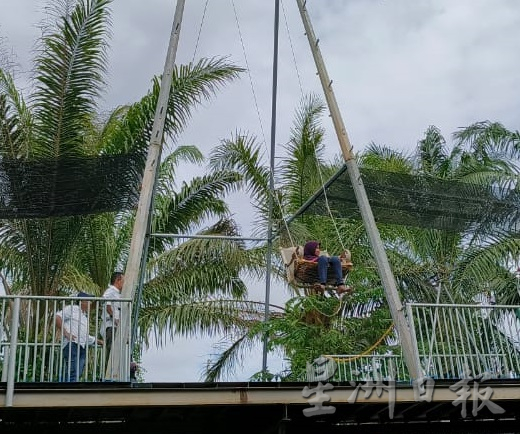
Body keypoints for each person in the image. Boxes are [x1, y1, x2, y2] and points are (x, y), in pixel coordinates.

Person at [55, 292, 103, 382]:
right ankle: (69, 392)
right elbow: (58, 317)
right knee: (72, 371)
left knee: (78, 372)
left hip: (81, 346)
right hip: (72, 344)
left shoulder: (84, 317)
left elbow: (85, 336)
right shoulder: (72, 308)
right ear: (82, 301)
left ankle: (68, 389)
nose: (90, 304)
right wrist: (66, 333)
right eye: (89, 301)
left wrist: (98, 341)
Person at [102, 271, 124, 352]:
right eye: (123, 281)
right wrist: (114, 319)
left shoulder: (117, 293)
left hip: (115, 326)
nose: (123, 283)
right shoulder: (110, 291)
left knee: (116, 350)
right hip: (111, 325)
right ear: (118, 280)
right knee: (111, 350)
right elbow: (107, 306)